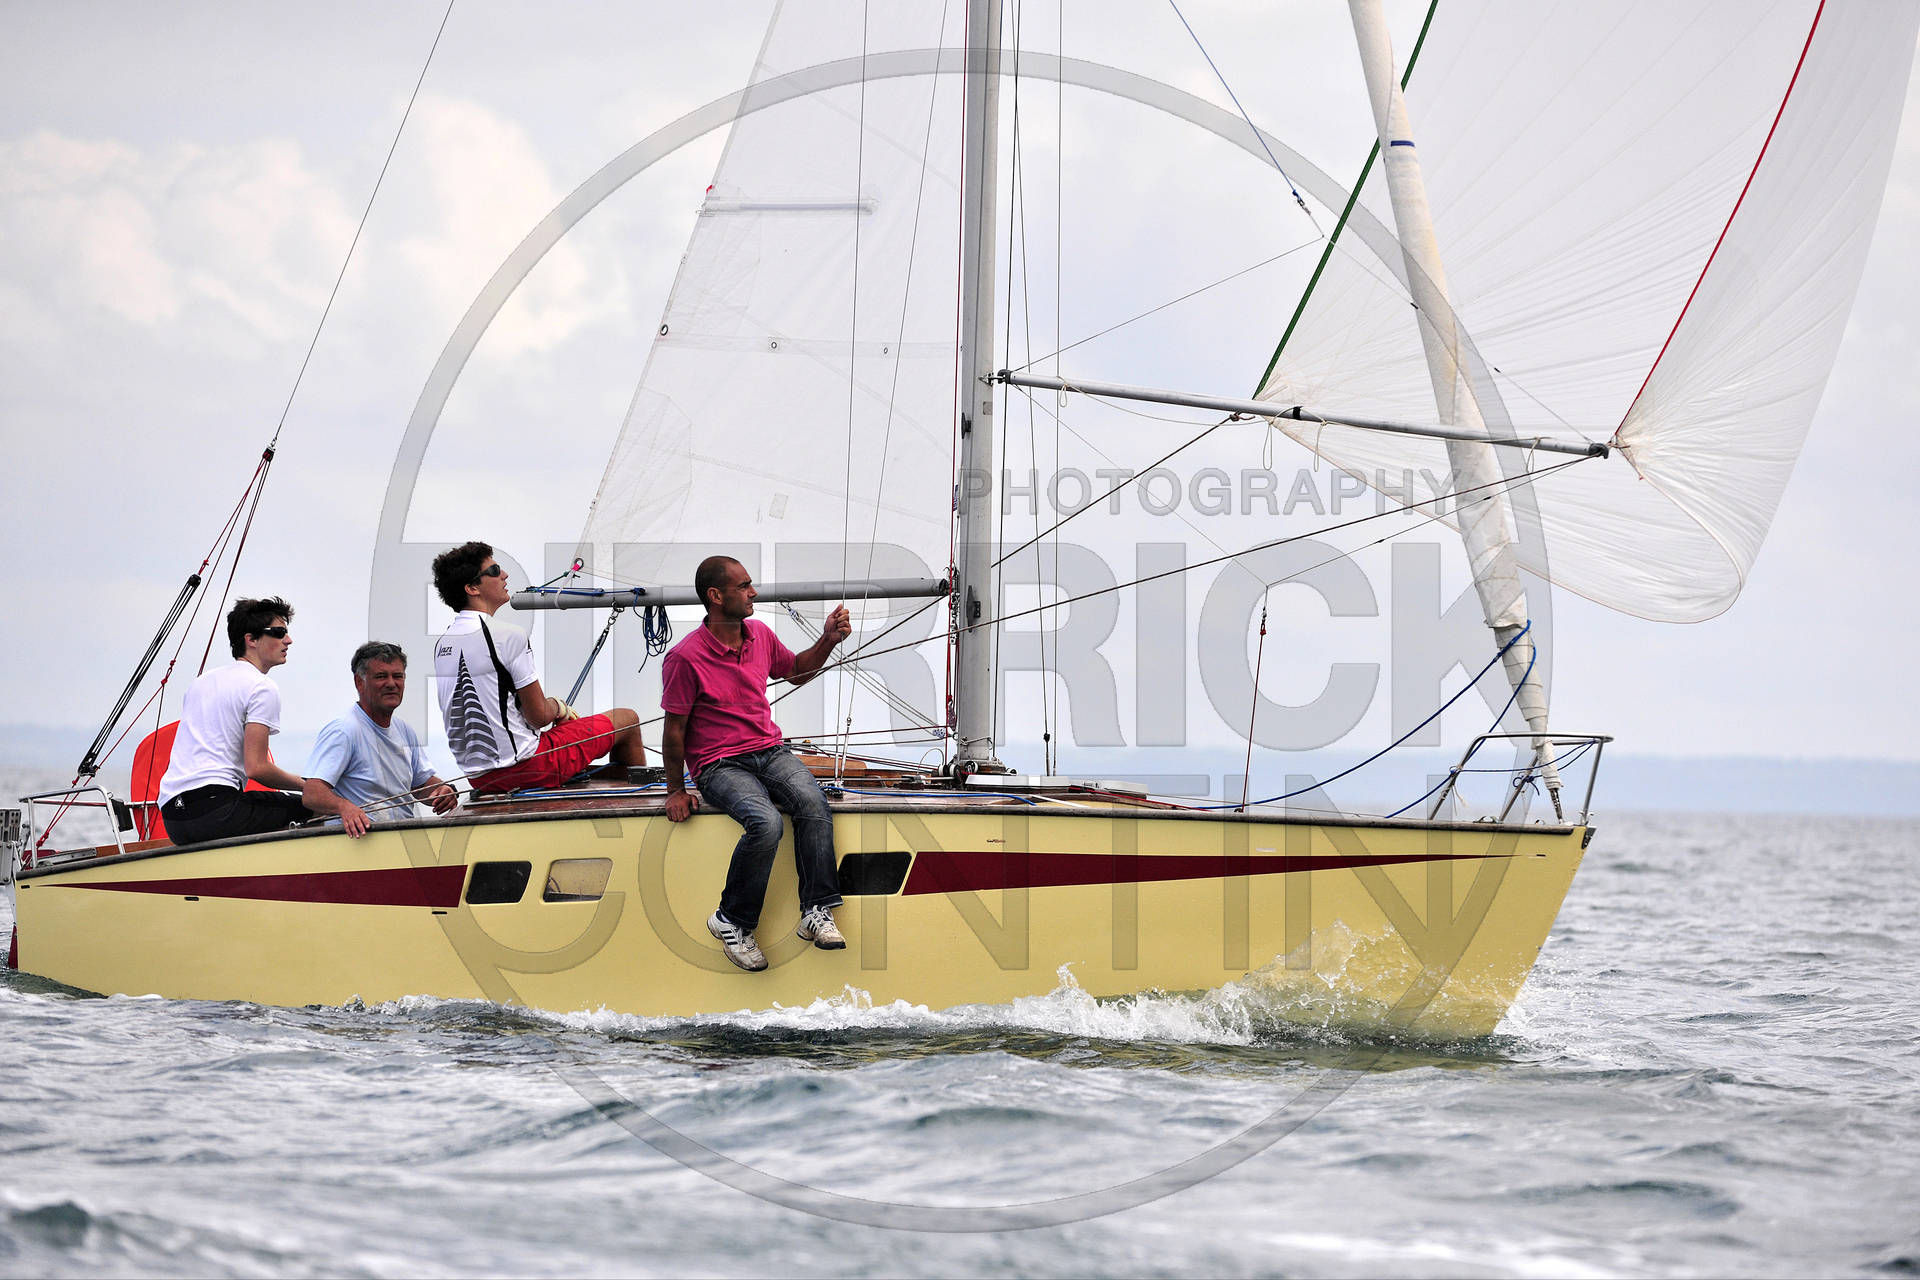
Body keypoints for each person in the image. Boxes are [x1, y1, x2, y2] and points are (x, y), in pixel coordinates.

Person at [660, 555, 851, 972]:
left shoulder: (759, 634)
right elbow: (674, 731)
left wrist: (828, 640)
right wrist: (675, 790)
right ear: (716, 596)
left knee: (813, 803)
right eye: (744, 586)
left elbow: (796, 670)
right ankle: (732, 920)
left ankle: (815, 910)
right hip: (718, 764)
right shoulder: (684, 657)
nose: (754, 593)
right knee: (766, 823)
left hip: (769, 750)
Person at [430, 541, 648, 792]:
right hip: (530, 767)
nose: (504, 574)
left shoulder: (443, 643)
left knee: (573, 738)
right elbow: (538, 717)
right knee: (627, 719)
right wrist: (559, 707)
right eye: (494, 570)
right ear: (472, 588)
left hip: (479, 779)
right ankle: (641, 801)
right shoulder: (508, 635)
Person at [157, 597, 314, 845]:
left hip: (173, 818)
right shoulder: (261, 687)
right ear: (251, 640)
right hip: (216, 811)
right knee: (315, 807)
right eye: (279, 632)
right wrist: (310, 786)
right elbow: (257, 768)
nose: (288, 640)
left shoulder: (200, 683)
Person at [303, 642, 460, 836]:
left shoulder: (404, 730)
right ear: (359, 682)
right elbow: (312, 793)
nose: (391, 684)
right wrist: (344, 807)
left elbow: (421, 784)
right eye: (381, 676)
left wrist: (444, 791)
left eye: (397, 676)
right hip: (358, 842)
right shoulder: (343, 730)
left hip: (401, 838)